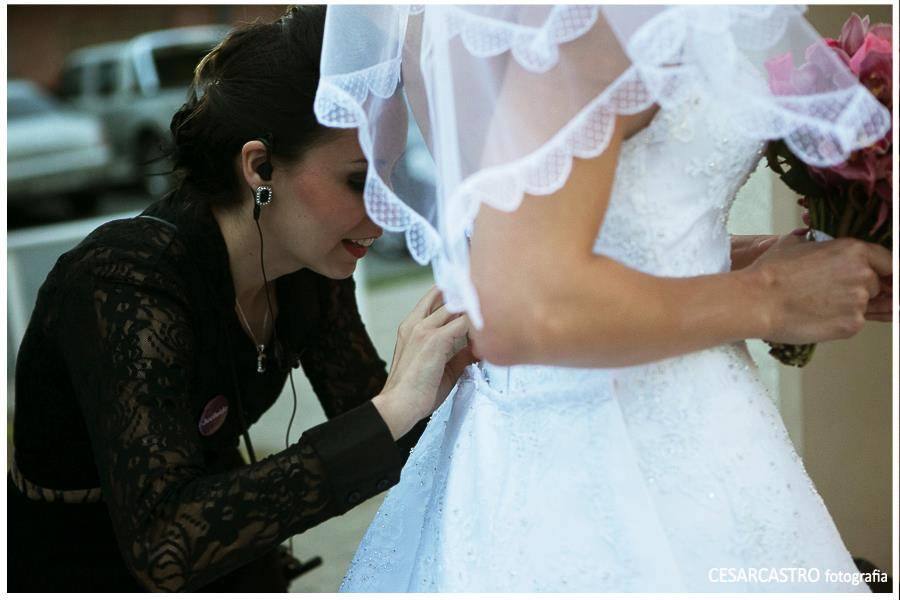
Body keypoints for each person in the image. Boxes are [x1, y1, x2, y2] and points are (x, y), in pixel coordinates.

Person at [314, 5, 893, 591]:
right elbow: (521, 309)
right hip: (613, 450)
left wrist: (784, 263)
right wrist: (772, 298)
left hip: (661, 424)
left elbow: (613, 238)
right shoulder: (588, 20)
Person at [8, 6, 473, 592]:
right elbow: (164, 544)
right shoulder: (124, 282)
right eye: (360, 181)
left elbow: (379, 425)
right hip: (76, 570)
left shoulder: (310, 267)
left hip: (230, 554)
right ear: (259, 167)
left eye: (392, 176)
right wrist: (393, 408)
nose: (387, 209)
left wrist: (451, 374)